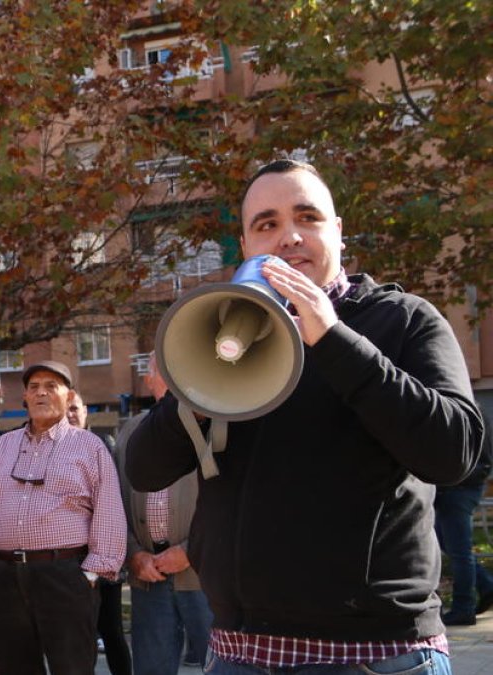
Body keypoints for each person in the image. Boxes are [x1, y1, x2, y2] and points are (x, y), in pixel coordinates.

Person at [126, 159, 485, 675]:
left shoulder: (404, 320)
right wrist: (202, 384)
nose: (289, 236)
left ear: (337, 231)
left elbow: (454, 453)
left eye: (307, 217)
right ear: (246, 246)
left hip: (375, 655)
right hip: (240, 653)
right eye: (266, 224)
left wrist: (333, 339)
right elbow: (144, 468)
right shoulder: (223, 335)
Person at [0, 360, 126, 674]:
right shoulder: (2, 446)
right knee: (13, 668)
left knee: (72, 667)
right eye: (34, 387)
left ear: (69, 396)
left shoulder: (89, 446)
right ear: (25, 397)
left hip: (65, 577)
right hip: (3, 577)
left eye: (51, 386)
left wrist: (90, 574)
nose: (41, 393)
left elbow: (109, 511)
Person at [117, 353, 210, 675]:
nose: (173, 378)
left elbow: (229, 504)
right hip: (148, 576)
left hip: (203, 575)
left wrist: (190, 551)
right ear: (148, 380)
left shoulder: (214, 425)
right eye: (164, 371)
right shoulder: (131, 431)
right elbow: (115, 502)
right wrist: (133, 555)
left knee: (223, 666)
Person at [66, 391, 133, 675]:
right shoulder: (53, 450)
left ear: (85, 411)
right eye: (65, 409)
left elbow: (115, 502)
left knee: (112, 630)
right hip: (71, 561)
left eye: (74, 408)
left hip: (105, 557)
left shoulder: (104, 445)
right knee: (80, 637)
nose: (70, 414)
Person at [434, 430, 493, 625]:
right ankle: (485, 585)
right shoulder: (479, 416)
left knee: (459, 551)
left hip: (458, 486)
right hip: (461, 484)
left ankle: (464, 607)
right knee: (449, 544)